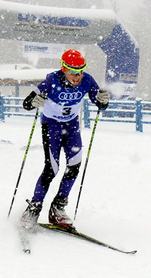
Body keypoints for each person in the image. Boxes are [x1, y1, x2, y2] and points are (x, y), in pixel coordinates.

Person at [19, 49, 110, 229]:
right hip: (51, 126)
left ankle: (58, 208)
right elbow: (26, 103)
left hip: (71, 126)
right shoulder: (52, 80)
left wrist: (103, 100)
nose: (77, 76)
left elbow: (99, 102)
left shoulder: (87, 80)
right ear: (63, 69)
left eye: (80, 71)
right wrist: (34, 102)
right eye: (73, 72)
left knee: (74, 166)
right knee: (52, 168)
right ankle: (34, 207)